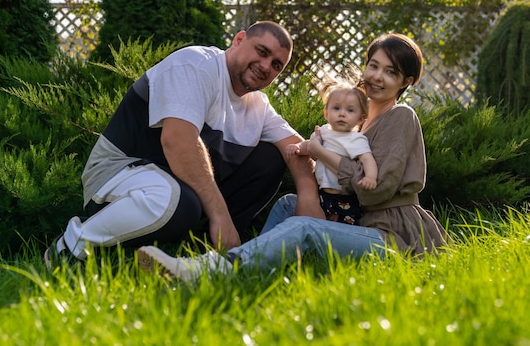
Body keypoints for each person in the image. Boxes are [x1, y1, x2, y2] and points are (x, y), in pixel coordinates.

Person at [137, 32, 448, 282]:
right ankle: (245, 271)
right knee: (290, 204)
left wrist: (320, 152)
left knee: (304, 228)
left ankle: (217, 270)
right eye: (374, 65)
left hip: (393, 239)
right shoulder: (357, 121)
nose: (377, 76)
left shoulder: (401, 117)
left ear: (406, 82)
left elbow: (377, 190)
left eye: (390, 72)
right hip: (357, 222)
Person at [44, 21, 323, 268]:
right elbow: (178, 142)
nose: (265, 66)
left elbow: (298, 149)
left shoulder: (259, 106)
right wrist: (219, 215)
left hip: (175, 189)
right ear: (239, 40)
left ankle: (208, 259)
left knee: (270, 158)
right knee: (178, 202)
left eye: (276, 65)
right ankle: (71, 245)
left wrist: (308, 196)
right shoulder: (195, 65)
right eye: (262, 52)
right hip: (117, 176)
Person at [286, 81, 377, 225]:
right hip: (322, 194)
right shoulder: (323, 132)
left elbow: (367, 158)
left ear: (361, 119)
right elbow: (309, 146)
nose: (342, 113)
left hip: (345, 198)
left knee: (337, 232)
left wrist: (371, 177)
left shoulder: (356, 139)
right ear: (326, 113)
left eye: (350, 110)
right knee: (314, 225)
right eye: (336, 108)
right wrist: (297, 147)